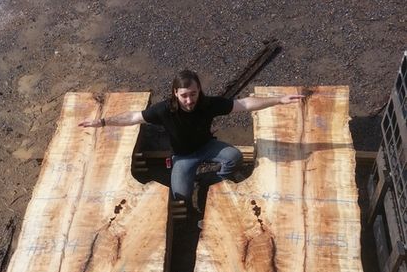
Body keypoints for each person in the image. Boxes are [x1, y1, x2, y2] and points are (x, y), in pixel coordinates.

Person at [79, 70, 303, 204]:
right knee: (180, 195)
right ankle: (192, 184)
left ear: (199, 91)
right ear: (175, 93)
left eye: (193, 94)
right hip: (182, 157)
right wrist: (104, 122)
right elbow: (133, 117)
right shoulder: (163, 110)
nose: (189, 100)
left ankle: (209, 181)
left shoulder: (208, 104)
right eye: (184, 95)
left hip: (207, 146)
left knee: (234, 157)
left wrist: (278, 100)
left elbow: (244, 104)